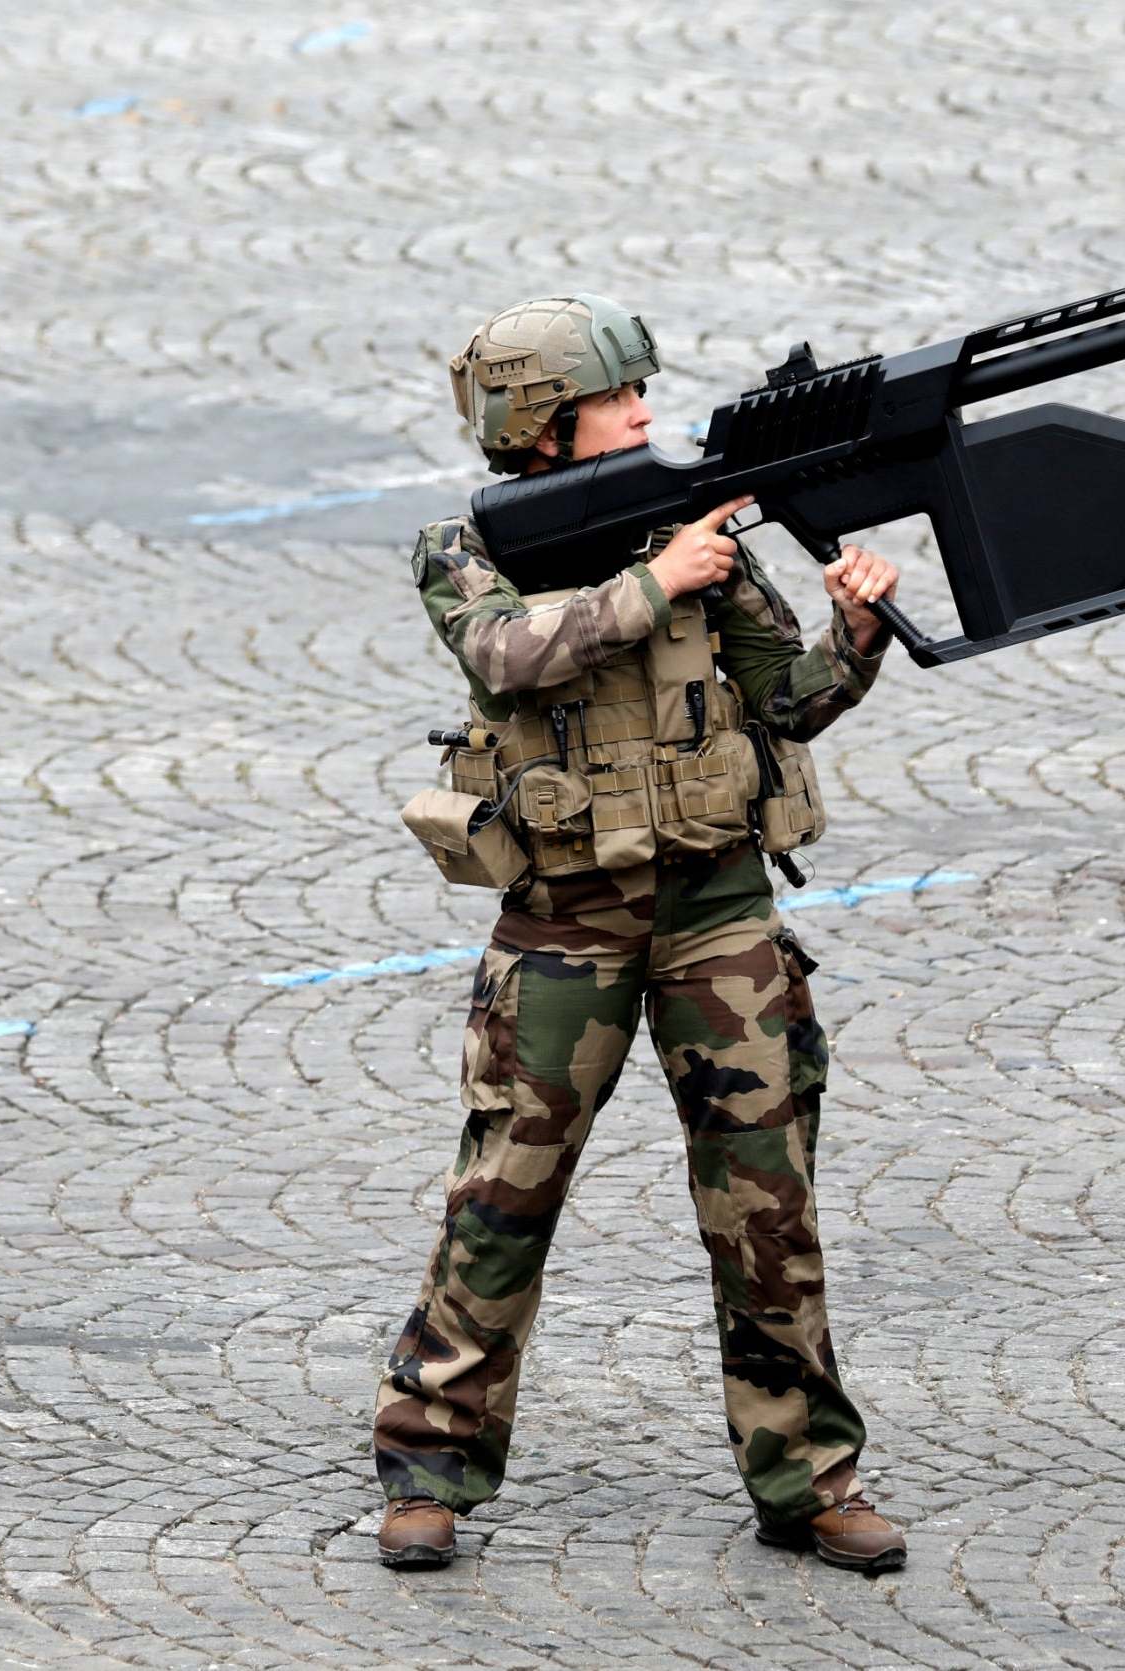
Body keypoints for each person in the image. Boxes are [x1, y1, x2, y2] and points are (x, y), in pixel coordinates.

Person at [374, 294, 907, 1572]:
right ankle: (429, 1468)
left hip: (718, 910)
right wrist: (649, 583)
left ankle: (808, 1479)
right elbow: (502, 653)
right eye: (621, 400)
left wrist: (857, 632)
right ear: (544, 425)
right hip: (565, 923)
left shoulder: (696, 531)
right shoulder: (462, 546)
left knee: (765, 1201)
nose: (646, 416)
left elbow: (786, 696)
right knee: (502, 1198)